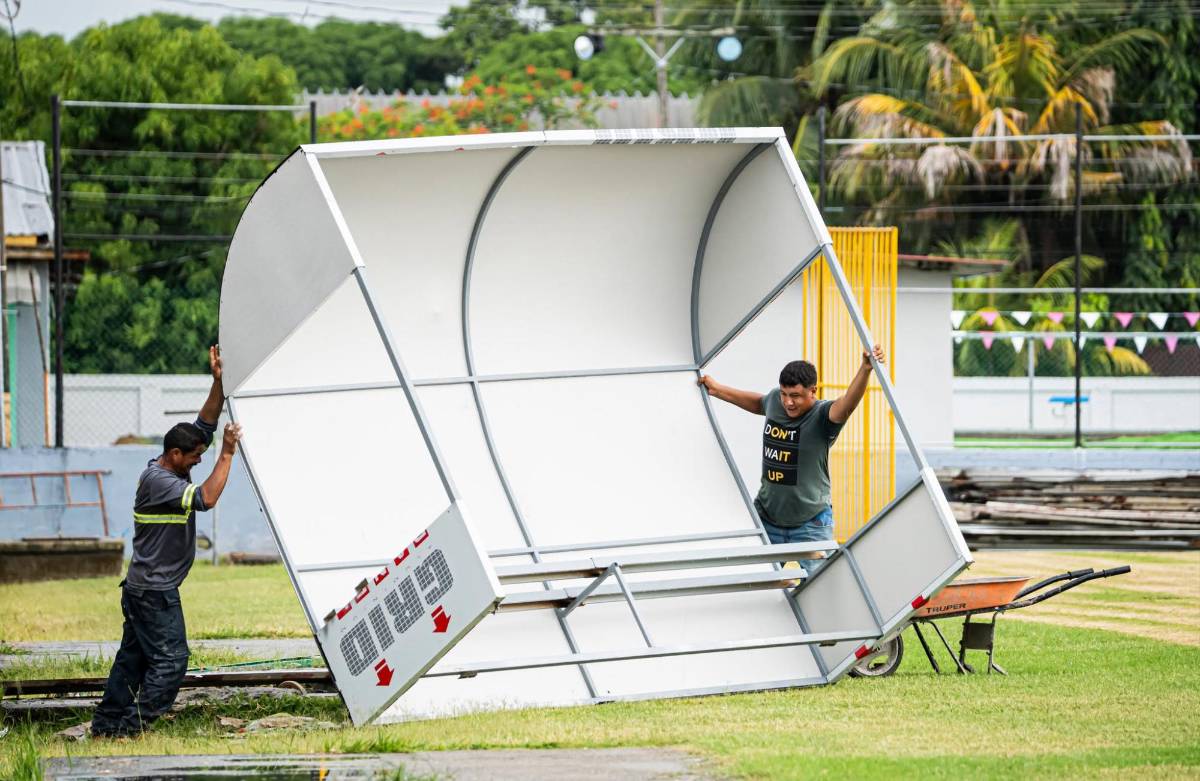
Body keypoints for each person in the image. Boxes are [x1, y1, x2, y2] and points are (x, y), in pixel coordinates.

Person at [91, 346, 243, 738]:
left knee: (132, 662)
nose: (198, 462)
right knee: (172, 661)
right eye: (194, 458)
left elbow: (204, 424)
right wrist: (227, 454)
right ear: (175, 454)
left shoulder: (165, 466)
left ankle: (107, 726)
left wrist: (219, 383)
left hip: (143, 588)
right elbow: (207, 499)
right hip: (154, 592)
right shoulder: (160, 483)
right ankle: (130, 730)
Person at [698, 344, 886, 577]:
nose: (788, 402)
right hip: (767, 519)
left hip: (811, 524)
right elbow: (759, 403)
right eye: (784, 394)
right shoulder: (775, 402)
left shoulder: (823, 416)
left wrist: (865, 369)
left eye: (795, 396)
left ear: (812, 391)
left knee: (822, 588)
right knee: (760, 587)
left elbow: (847, 404)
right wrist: (718, 390)